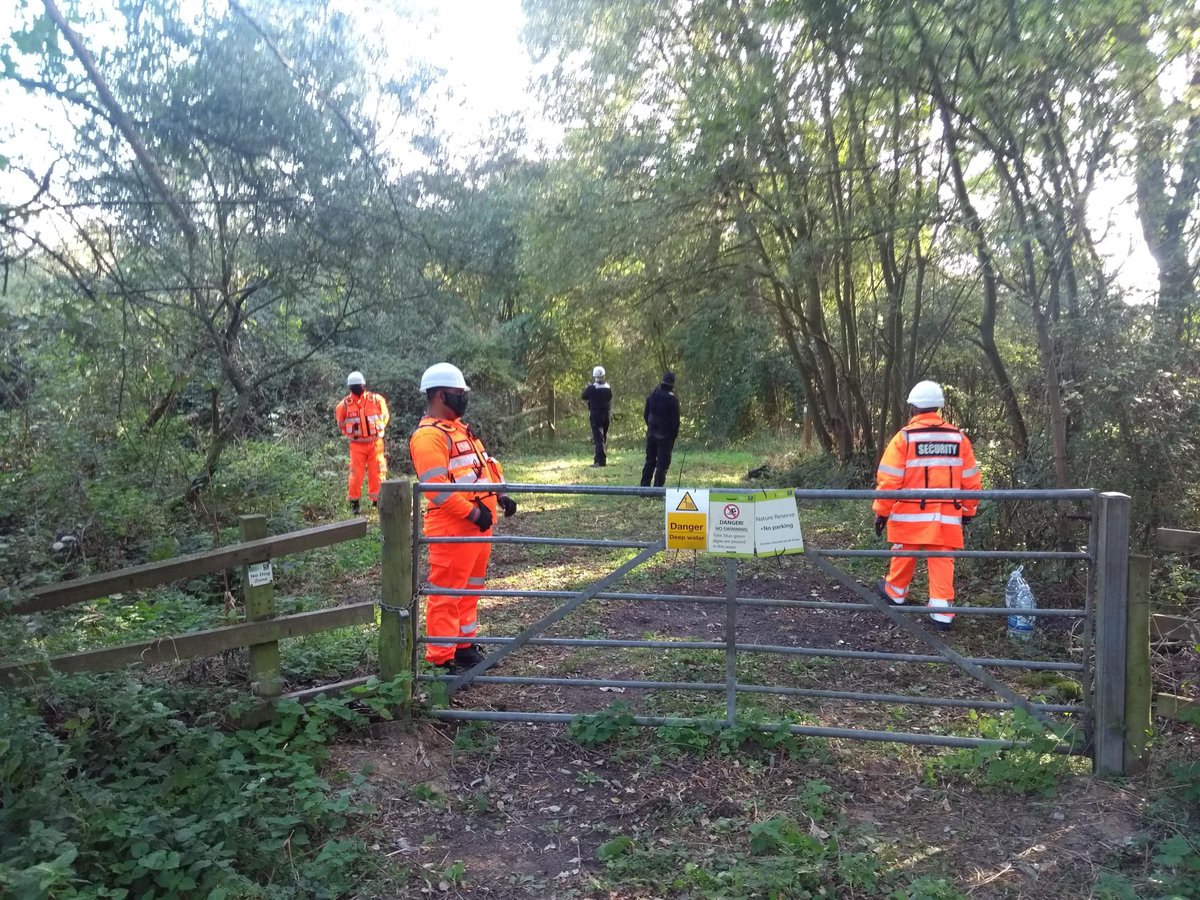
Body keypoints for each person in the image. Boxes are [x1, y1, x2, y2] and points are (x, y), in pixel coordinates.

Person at [409, 362, 517, 672]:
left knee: (470, 590)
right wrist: (473, 512)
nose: (463, 399)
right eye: (459, 394)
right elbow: (436, 490)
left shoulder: (459, 429)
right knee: (447, 594)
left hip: (478, 526)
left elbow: (482, 467)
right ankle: (442, 660)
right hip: (453, 528)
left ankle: (463, 647)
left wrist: (500, 494)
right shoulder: (428, 437)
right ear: (441, 396)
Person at [872, 380, 981, 631]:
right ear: (938, 408)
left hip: (909, 514)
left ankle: (896, 592)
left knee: (903, 550)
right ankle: (942, 612)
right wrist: (967, 510)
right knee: (942, 558)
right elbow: (971, 480)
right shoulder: (959, 439)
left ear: (913, 409)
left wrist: (881, 512)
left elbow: (889, 480)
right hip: (946, 515)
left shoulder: (905, 438)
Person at [335, 371, 390, 514]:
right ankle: (354, 505)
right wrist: (353, 434)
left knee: (377, 472)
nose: (357, 388)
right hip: (357, 445)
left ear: (363, 385)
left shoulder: (377, 400)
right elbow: (340, 424)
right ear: (349, 387)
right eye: (354, 386)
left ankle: (378, 502)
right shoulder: (343, 405)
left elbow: (385, 417)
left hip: (375, 443)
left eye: (358, 385)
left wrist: (377, 432)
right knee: (355, 474)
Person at [640, 370, 680, 488]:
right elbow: (675, 422)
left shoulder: (653, 395)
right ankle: (657, 489)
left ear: (662, 380)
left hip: (651, 433)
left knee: (650, 461)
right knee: (662, 464)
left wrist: (651, 427)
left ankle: (644, 487)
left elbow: (646, 414)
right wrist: (672, 436)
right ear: (673, 383)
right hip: (665, 437)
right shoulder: (673, 400)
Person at [581, 365, 613, 467]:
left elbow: (583, 396)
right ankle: (597, 459)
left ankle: (601, 461)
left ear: (595, 376)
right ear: (604, 376)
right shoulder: (608, 388)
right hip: (606, 415)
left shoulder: (592, 388)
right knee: (603, 437)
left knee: (598, 439)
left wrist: (587, 387)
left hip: (596, 415)